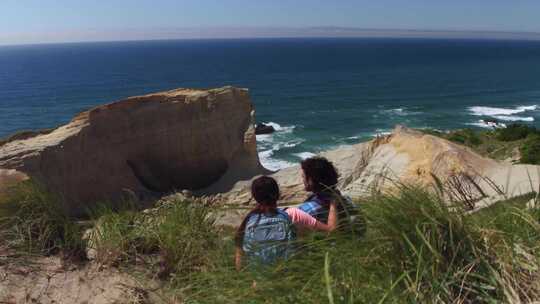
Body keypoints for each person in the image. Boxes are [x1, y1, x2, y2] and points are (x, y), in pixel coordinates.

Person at [235, 175, 337, 270]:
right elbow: (331, 230)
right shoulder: (292, 214)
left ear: (254, 196)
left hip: (258, 282)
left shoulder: (249, 221)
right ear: (278, 194)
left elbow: (240, 263)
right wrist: (333, 202)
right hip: (288, 275)